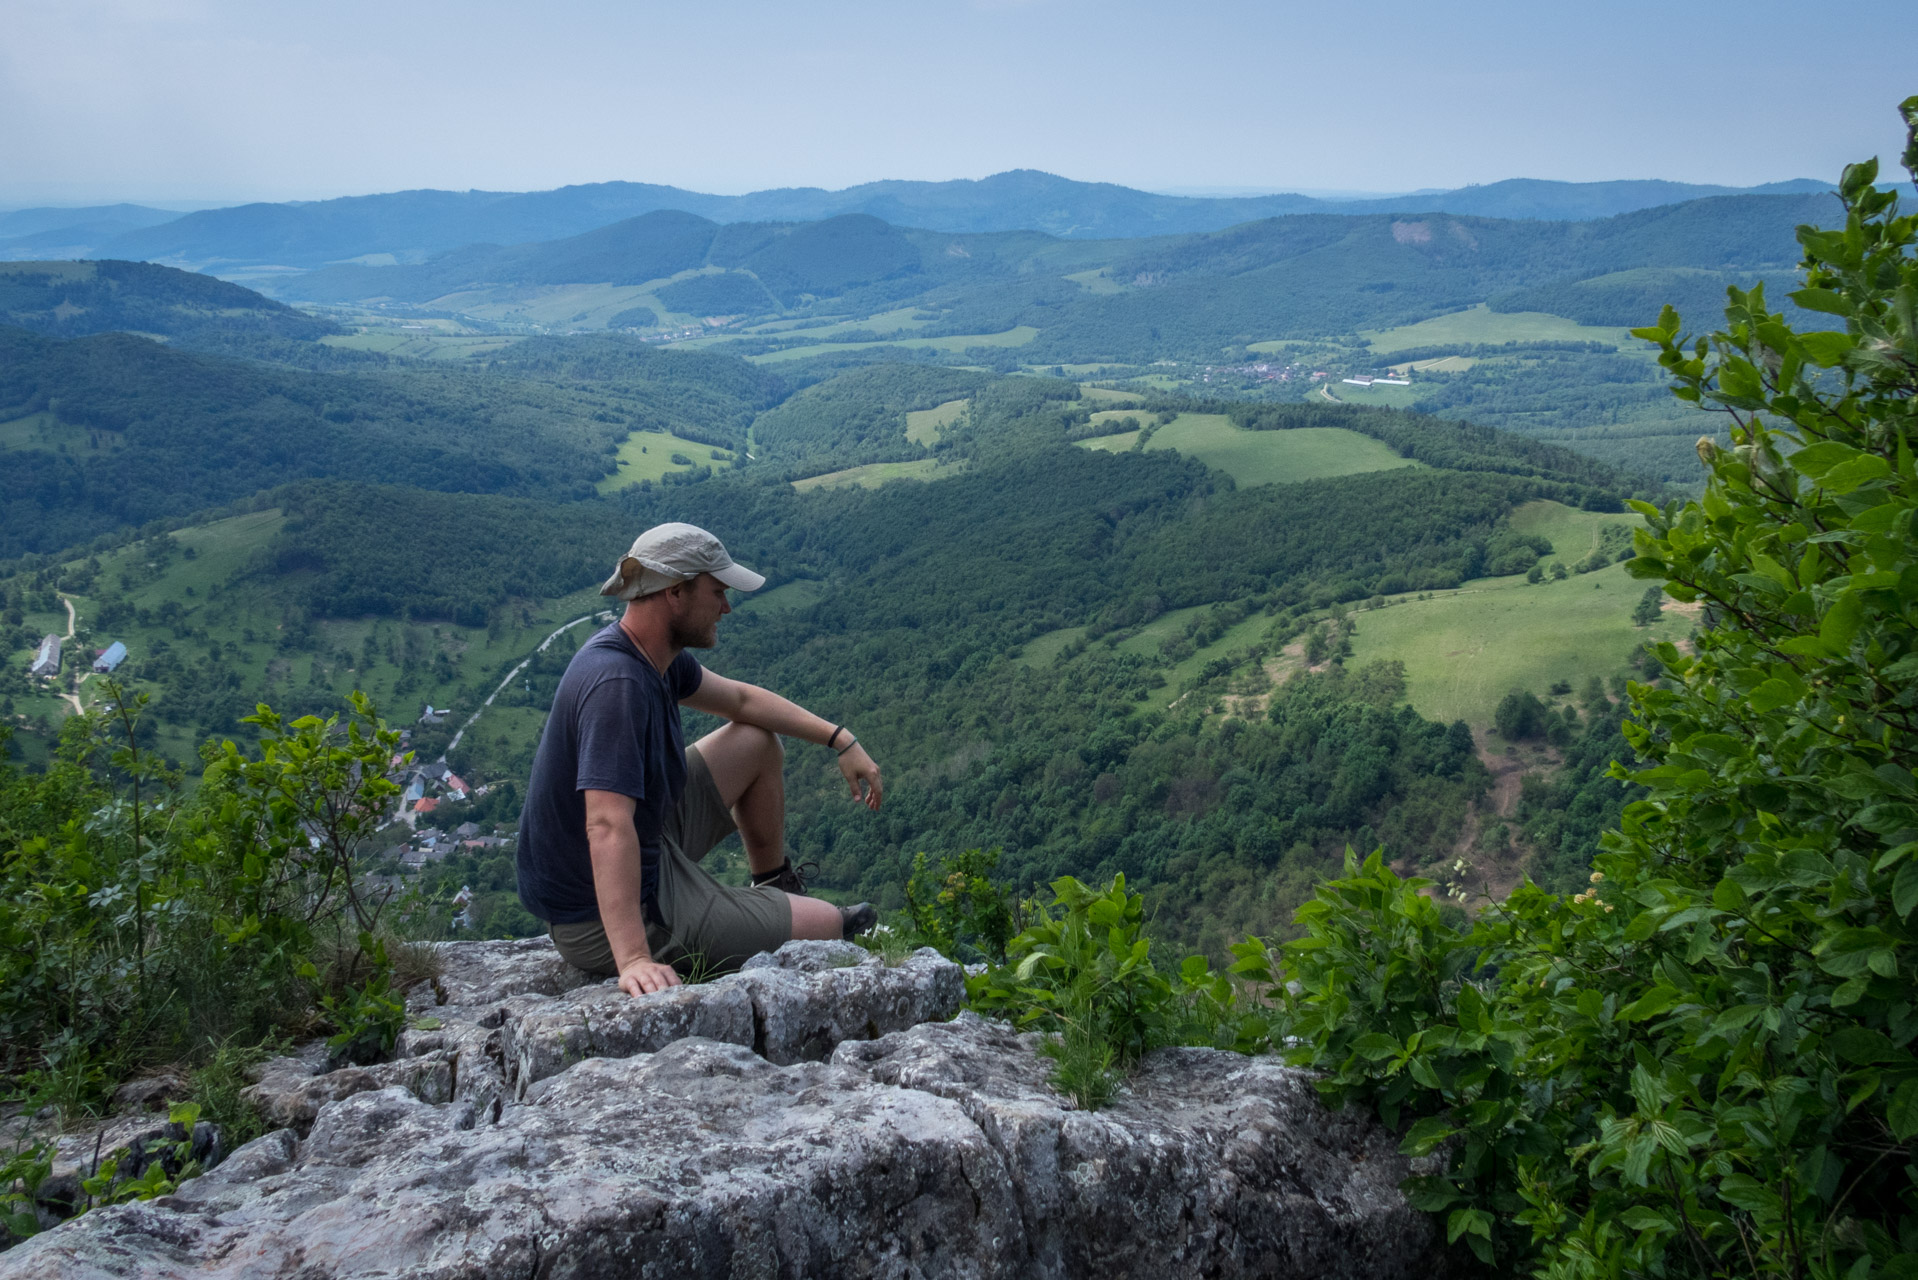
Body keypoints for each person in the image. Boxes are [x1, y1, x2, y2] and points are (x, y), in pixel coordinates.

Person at [516, 522, 882, 996]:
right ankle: (777, 917)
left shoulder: (651, 656)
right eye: (717, 592)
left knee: (757, 741)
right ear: (674, 592)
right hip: (599, 913)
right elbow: (605, 825)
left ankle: (774, 887)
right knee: (830, 926)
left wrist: (841, 739)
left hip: (648, 841)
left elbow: (743, 703)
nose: (726, 606)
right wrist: (632, 958)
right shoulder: (618, 685)